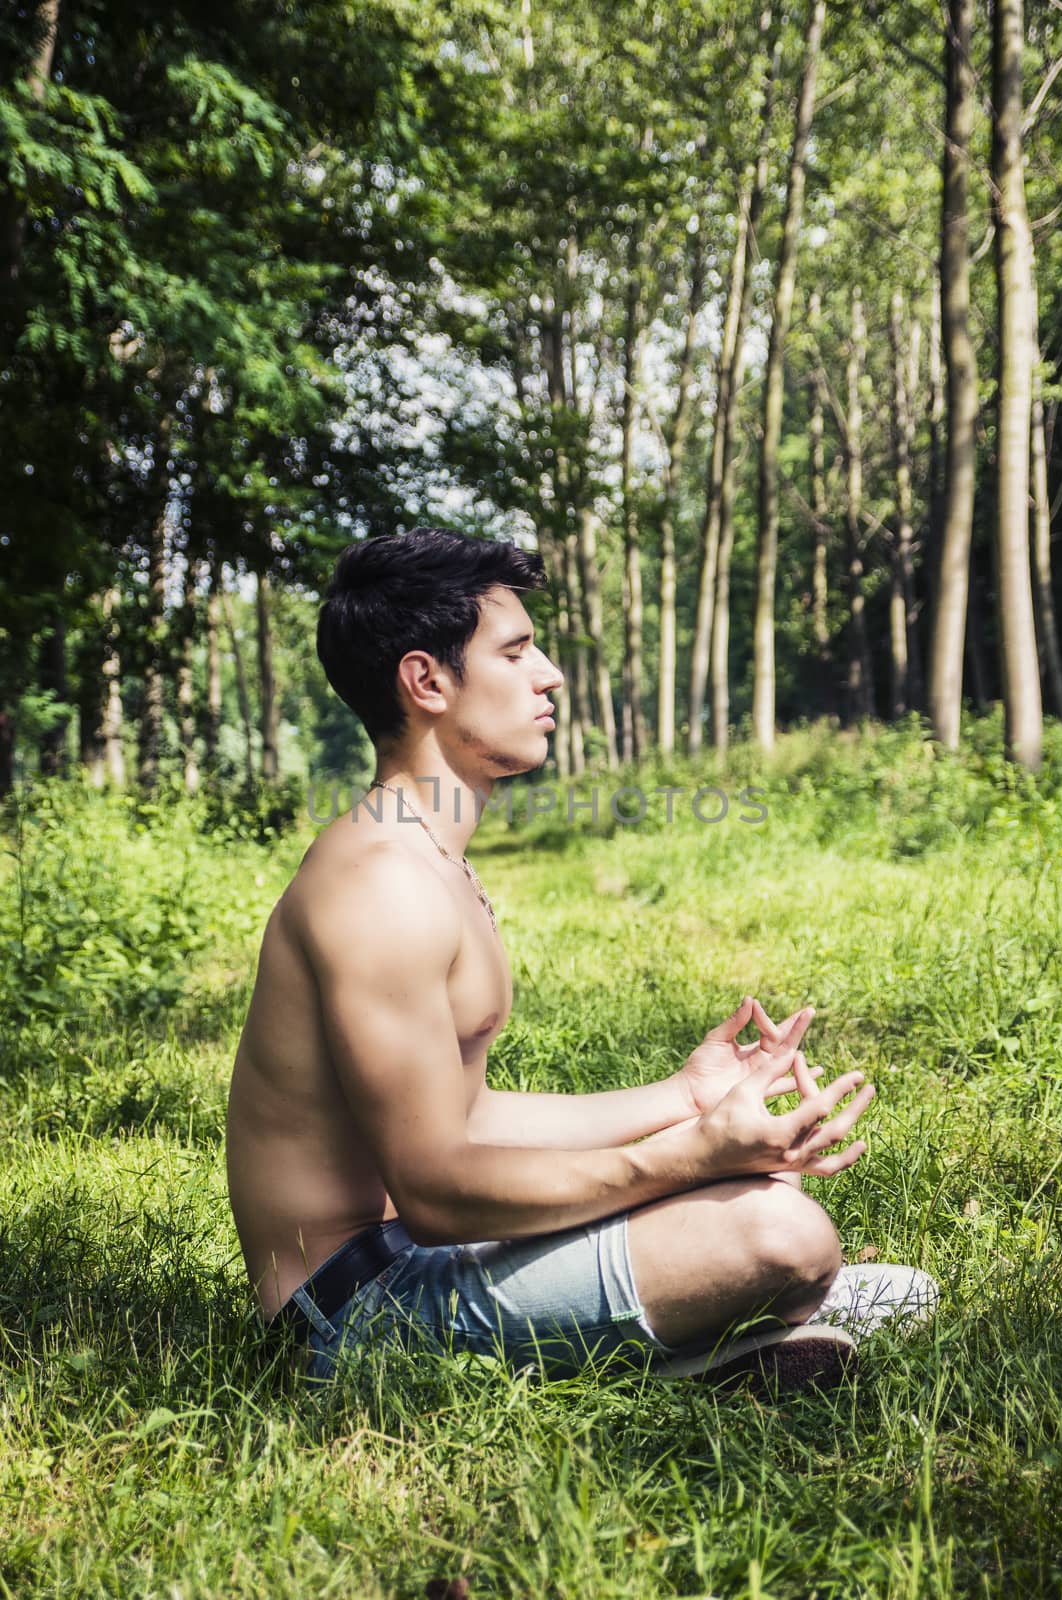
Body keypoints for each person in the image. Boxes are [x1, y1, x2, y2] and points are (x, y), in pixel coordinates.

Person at [225, 527, 937, 1391]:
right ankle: (690, 1351)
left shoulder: (425, 854)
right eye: (516, 651)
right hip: (359, 1312)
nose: (549, 673)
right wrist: (692, 1156)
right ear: (427, 681)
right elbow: (438, 1192)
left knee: (830, 1254)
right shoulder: (381, 885)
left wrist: (683, 1099)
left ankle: (713, 1340)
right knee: (781, 1239)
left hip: (423, 1251)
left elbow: (467, 1118)